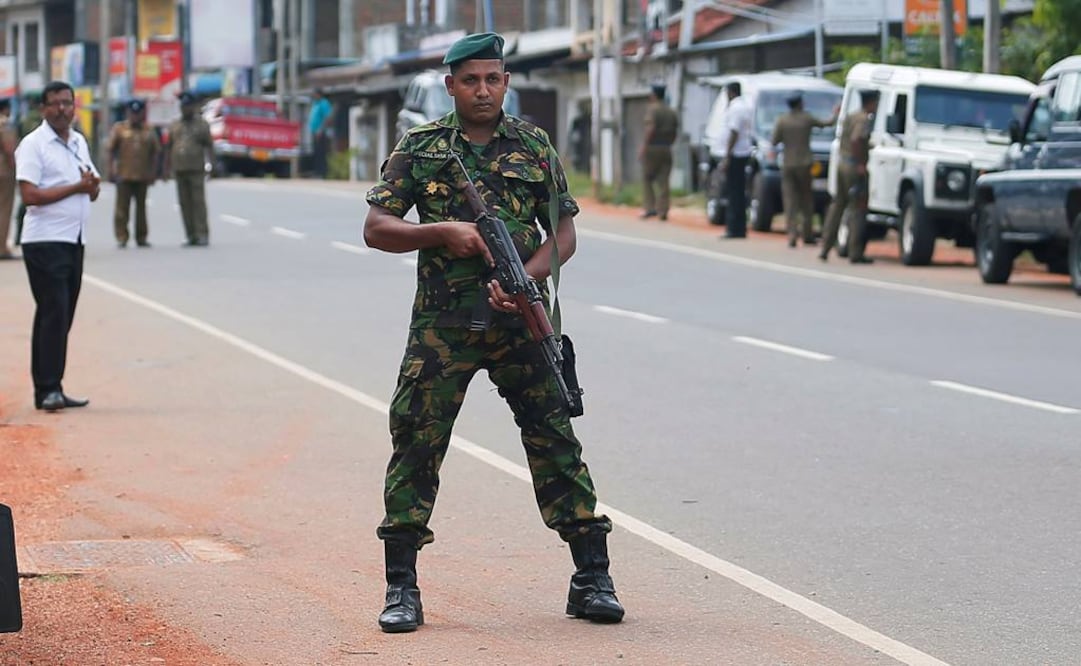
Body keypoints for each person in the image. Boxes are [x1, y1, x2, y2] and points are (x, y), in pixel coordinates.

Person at [363, 31, 624, 634]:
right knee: (417, 441)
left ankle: (593, 577)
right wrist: (442, 233)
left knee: (554, 437)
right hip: (443, 327)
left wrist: (525, 279)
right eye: (471, 80)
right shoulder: (422, 146)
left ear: (506, 82)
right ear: (451, 84)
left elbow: (564, 235)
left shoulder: (532, 145)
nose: (483, 90)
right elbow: (377, 227)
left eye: (493, 78)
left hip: (520, 320)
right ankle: (401, 586)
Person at [14, 80, 100, 412]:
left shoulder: (78, 141)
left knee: (62, 316)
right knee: (53, 312)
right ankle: (46, 389)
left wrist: (90, 187)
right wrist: (77, 187)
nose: (62, 109)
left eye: (68, 103)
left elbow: (91, 186)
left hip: (74, 239)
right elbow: (30, 196)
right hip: (44, 241)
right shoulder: (33, 145)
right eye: (55, 104)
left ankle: (53, 386)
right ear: (43, 109)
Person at [771, 92, 838, 248]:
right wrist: (835, 114)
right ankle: (807, 234)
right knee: (806, 199)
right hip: (805, 163)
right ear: (800, 103)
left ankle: (792, 235)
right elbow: (827, 123)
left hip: (788, 163)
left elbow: (774, 140)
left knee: (790, 201)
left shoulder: (782, 120)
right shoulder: (806, 118)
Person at [820, 89, 879, 264]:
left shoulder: (851, 116)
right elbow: (856, 139)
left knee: (837, 206)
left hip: (842, 164)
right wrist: (860, 163)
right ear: (871, 103)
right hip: (854, 168)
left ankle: (825, 247)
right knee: (857, 209)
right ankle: (855, 252)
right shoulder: (862, 119)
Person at [106, 99, 161, 248]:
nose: (135, 116)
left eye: (138, 113)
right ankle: (122, 236)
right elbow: (111, 150)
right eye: (132, 113)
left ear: (143, 113)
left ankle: (141, 237)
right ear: (128, 113)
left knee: (141, 208)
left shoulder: (149, 130)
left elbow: (155, 153)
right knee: (122, 208)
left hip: (143, 175)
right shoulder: (119, 129)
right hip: (124, 174)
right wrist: (110, 170)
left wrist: (154, 173)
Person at [164, 91, 213, 247]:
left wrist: (212, 165)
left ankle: (202, 234)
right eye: (183, 106)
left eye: (188, 106)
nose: (186, 109)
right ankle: (190, 234)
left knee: (198, 202)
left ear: (193, 107)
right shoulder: (175, 125)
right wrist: (165, 168)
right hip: (179, 169)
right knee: (184, 203)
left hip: (196, 169)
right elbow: (168, 147)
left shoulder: (202, 125)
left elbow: (209, 146)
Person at [638, 83, 679, 221]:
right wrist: (669, 143)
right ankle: (663, 210)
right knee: (664, 180)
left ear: (654, 95)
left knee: (647, 178)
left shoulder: (653, 110)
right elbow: (675, 132)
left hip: (653, 147)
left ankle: (650, 208)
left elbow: (651, 128)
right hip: (666, 147)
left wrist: (644, 146)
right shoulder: (671, 111)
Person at [720, 82, 753, 238]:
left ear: (731, 92)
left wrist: (727, 155)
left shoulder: (735, 108)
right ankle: (741, 227)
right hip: (743, 152)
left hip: (736, 154)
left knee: (733, 193)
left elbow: (733, 132)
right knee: (739, 192)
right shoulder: (745, 106)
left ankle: (733, 228)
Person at [13, 92, 43, 247]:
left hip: (26, 162)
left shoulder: (24, 120)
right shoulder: (44, 120)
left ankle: (19, 235)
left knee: (25, 202)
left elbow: (17, 139)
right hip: (43, 163)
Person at [0, 99, 18, 259]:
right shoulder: (4, 124)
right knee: (5, 209)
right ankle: (2, 248)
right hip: (4, 171)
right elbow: (8, 148)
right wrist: (15, 168)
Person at [308, 88, 333, 179]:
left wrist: (321, 129)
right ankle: (316, 172)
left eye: (315, 94)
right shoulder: (315, 103)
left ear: (319, 94)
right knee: (316, 152)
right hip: (314, 131)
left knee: (321, 153)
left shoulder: (324, 103)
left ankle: (322, 173)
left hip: (321, 132)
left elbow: (328, 117)